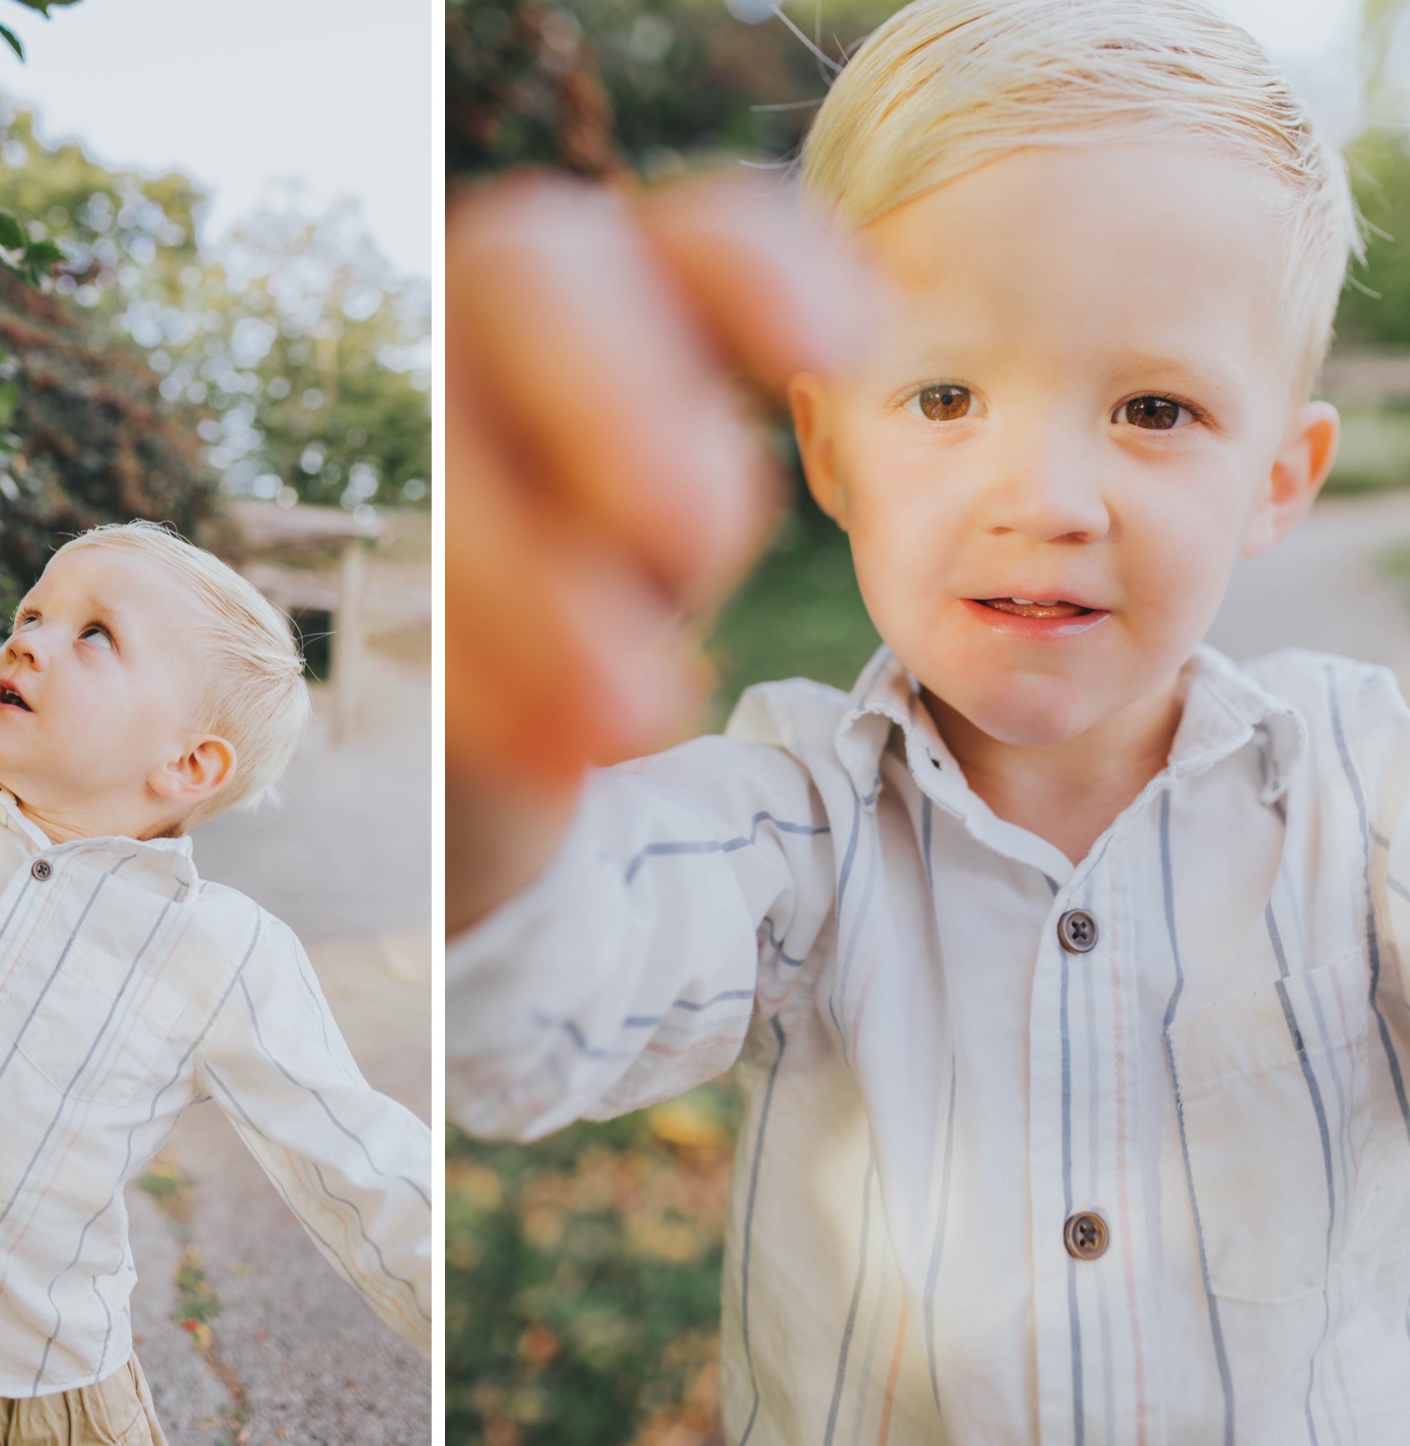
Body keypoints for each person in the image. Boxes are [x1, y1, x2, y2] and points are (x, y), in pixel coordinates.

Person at [447, 0, 1410, 1439]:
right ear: (829, 445)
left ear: (1281, 476)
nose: (1046, 498)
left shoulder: (1362, 779)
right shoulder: (793, 810)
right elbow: (528, 995)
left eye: (1154, 408)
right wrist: (493, 753)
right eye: (946, 392)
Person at [0, 191, 431, 1445]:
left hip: (40, 1399)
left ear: (187, 764)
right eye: (31, 613)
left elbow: (358, 1164)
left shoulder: (218, 953)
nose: (26, 637)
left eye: (93, 636)